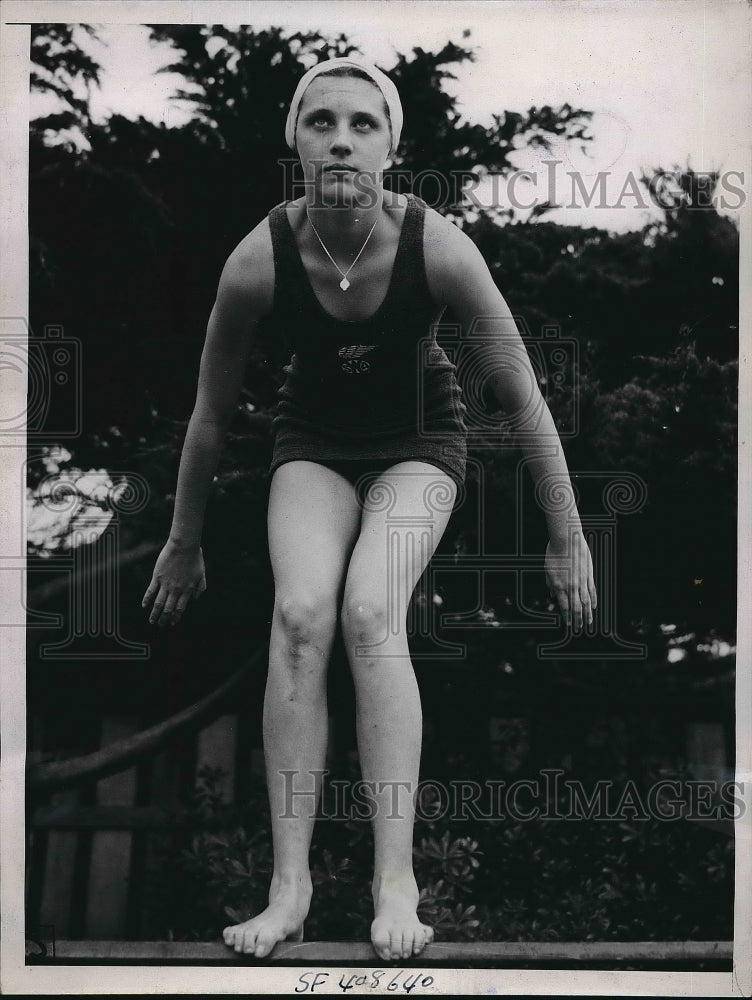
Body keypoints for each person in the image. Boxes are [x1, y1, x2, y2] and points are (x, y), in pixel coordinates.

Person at [141, 56, 597, 962]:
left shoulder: (442, 247)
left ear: (392, 144)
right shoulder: (256, 262)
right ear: (295, 142)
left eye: (362, 123)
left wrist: (568, 536)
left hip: (423, 444)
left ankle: (396, 878)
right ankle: (290, 889)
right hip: (310, 442)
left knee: (369, 609)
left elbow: (522, 397)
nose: (341, 139)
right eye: (321, 122)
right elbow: (210, 416)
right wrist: (183, 538)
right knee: (302, 615)